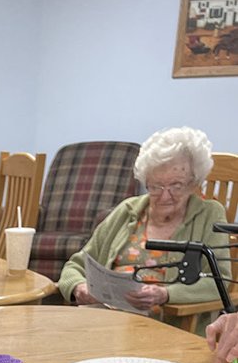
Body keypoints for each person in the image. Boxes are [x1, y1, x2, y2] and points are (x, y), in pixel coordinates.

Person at [58, 127, 230, 333]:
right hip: (103, 322)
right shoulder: (127, 210)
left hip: (167, 329)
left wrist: (166, 294)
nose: (165, 196)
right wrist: (80, 288)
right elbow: (75, 266)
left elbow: (220, 282)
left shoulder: (209, 214)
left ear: (194, 183)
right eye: (156, 186)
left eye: (176, 186)